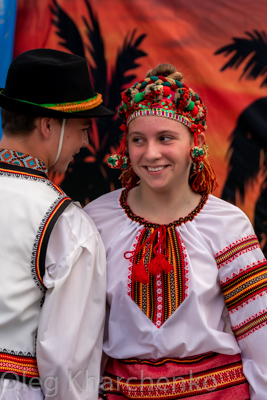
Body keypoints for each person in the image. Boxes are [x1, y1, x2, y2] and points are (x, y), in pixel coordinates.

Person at [84, 63, 267, 399]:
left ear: (194, 141)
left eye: (165, 138)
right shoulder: (96, 219)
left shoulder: (226, 223)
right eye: (138, 140)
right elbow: (81, 335)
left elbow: (260, 337)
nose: (151, 153)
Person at [0, 48, 114, 400]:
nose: (83, 142)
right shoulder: (64, 222)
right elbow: (68, 362)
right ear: (49, 125)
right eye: (82, 128)